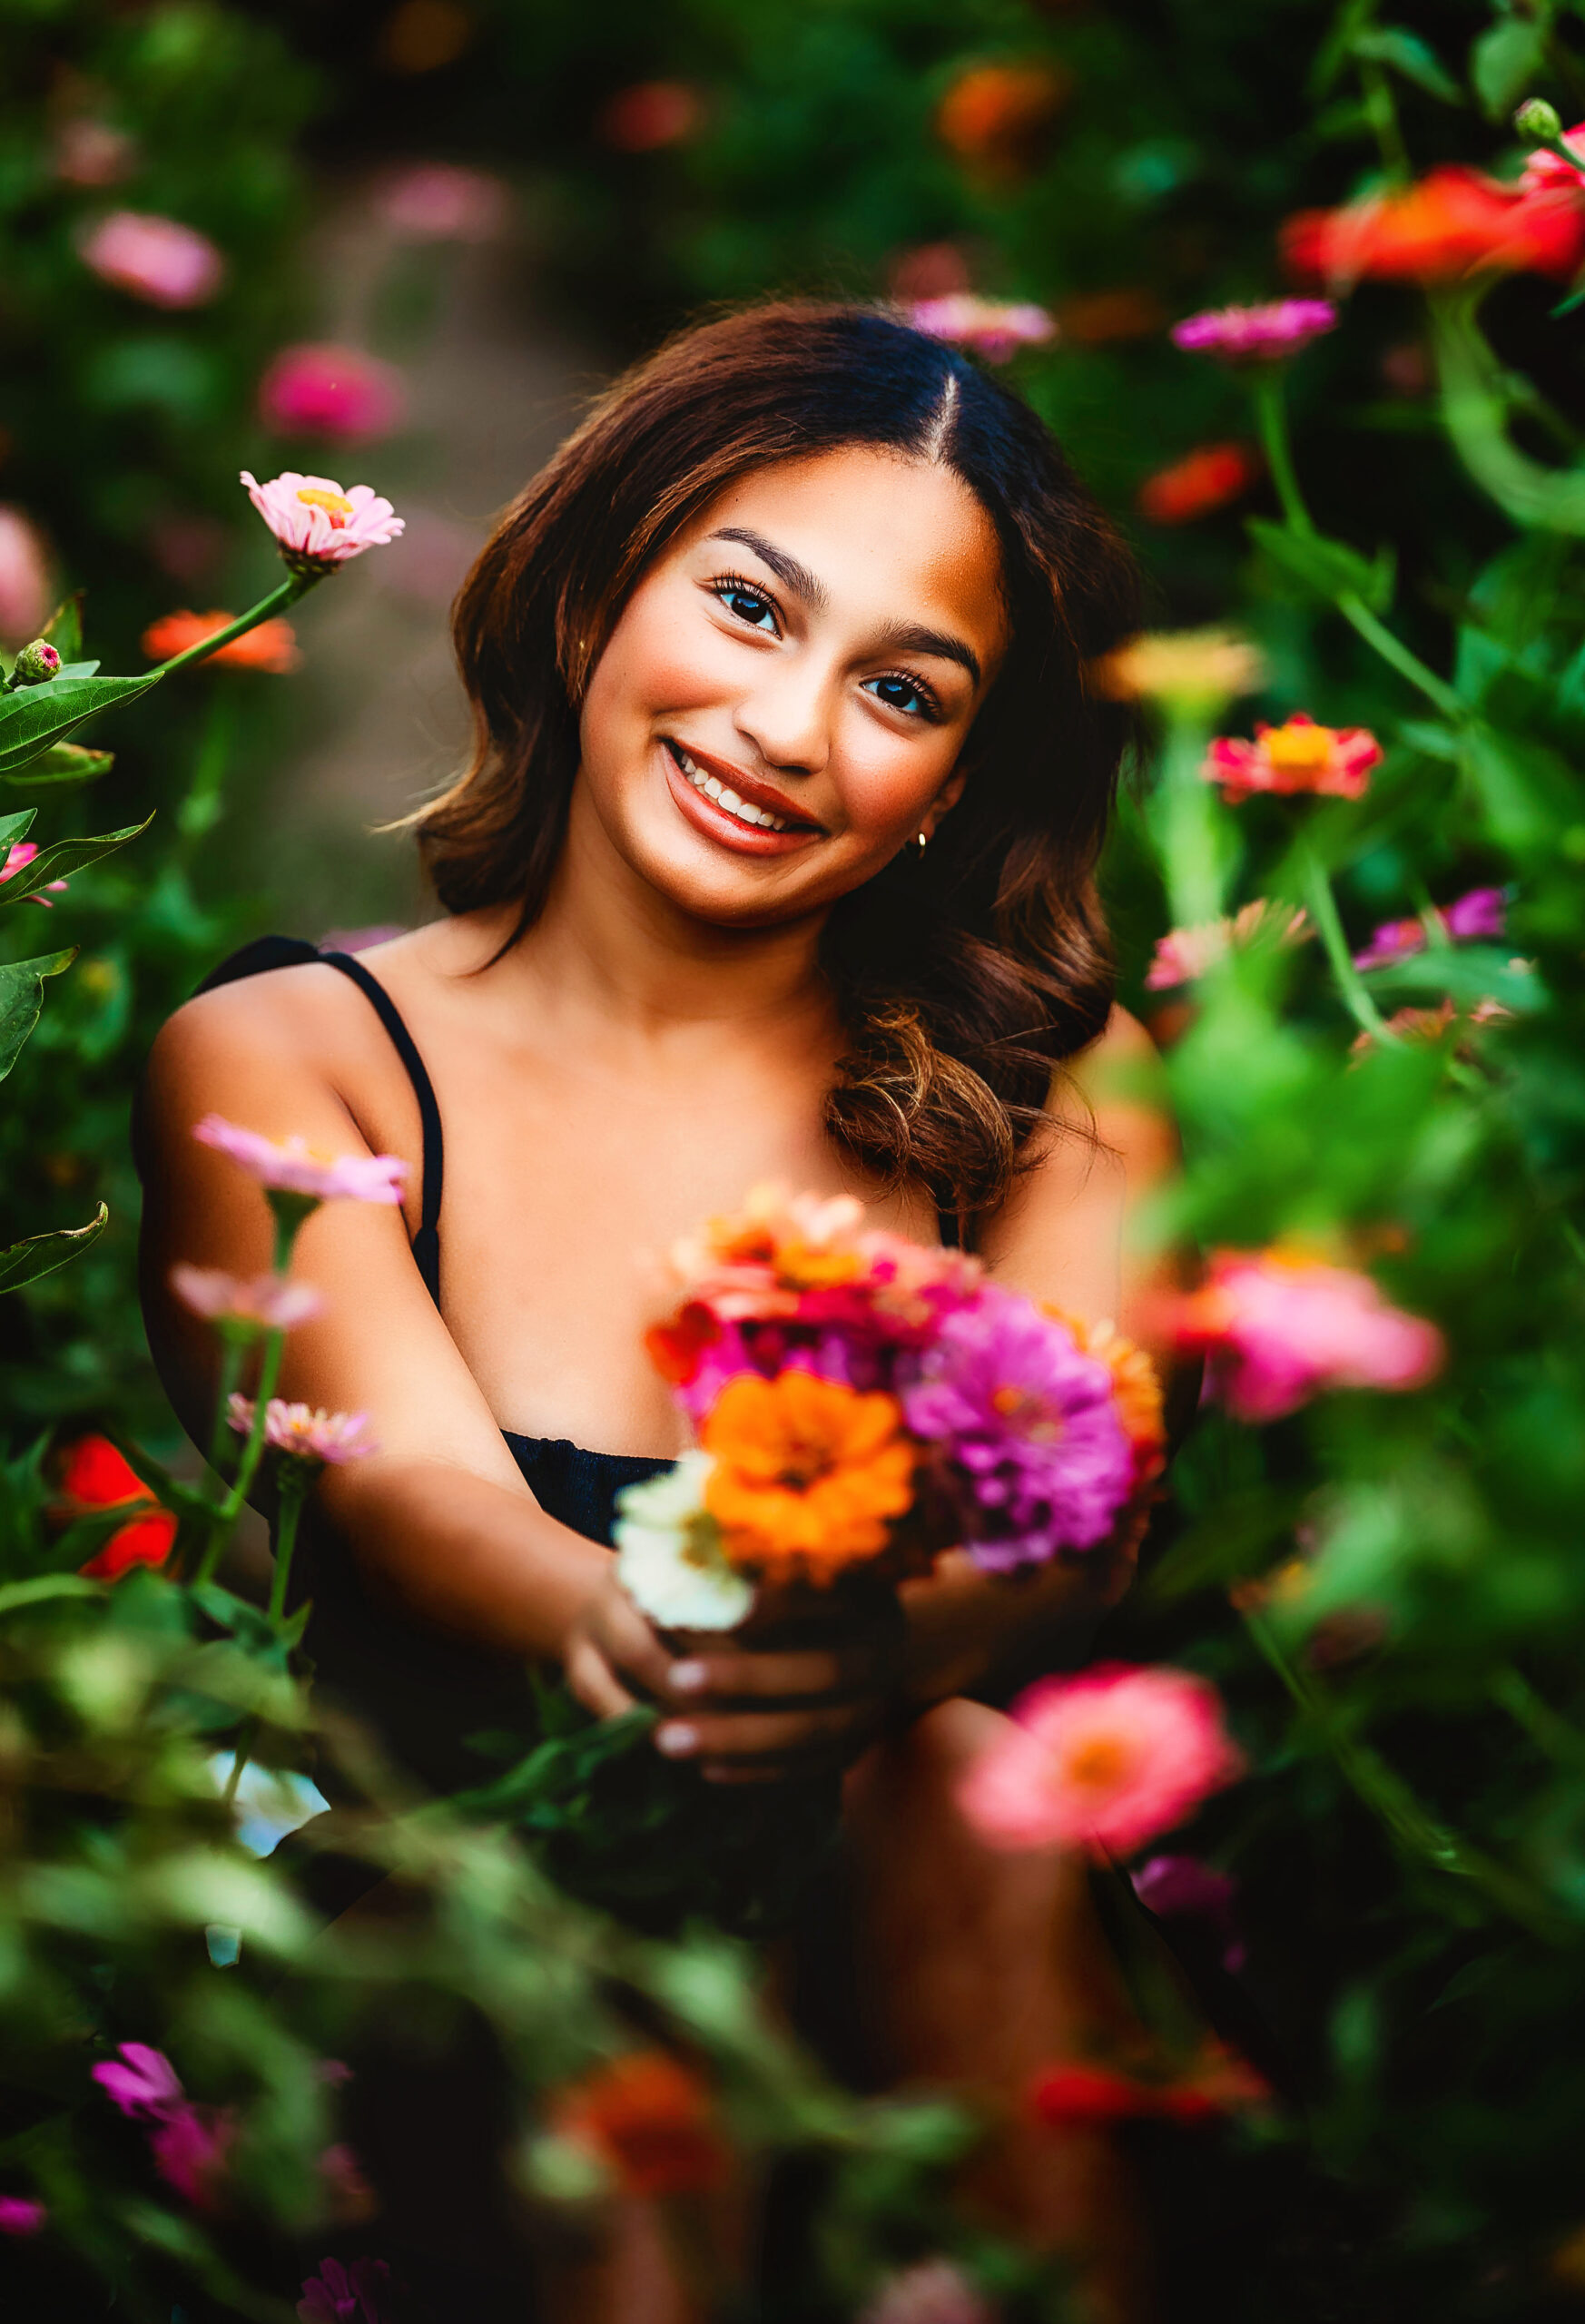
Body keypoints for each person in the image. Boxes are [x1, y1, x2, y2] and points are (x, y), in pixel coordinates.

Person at [137, 302, 1179, 2321]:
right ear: (599, 588)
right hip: (455, 1946)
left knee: (963, 1788)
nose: (792, 727)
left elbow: (1077, 1512)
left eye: (903, 685)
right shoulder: (292, 1057)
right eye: (749, 606)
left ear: (960, 778)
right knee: (636, 1879)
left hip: (928, 1962)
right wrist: (642, 1640)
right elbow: (412, 1497)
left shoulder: (1058, 1090)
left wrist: (883, 1649)